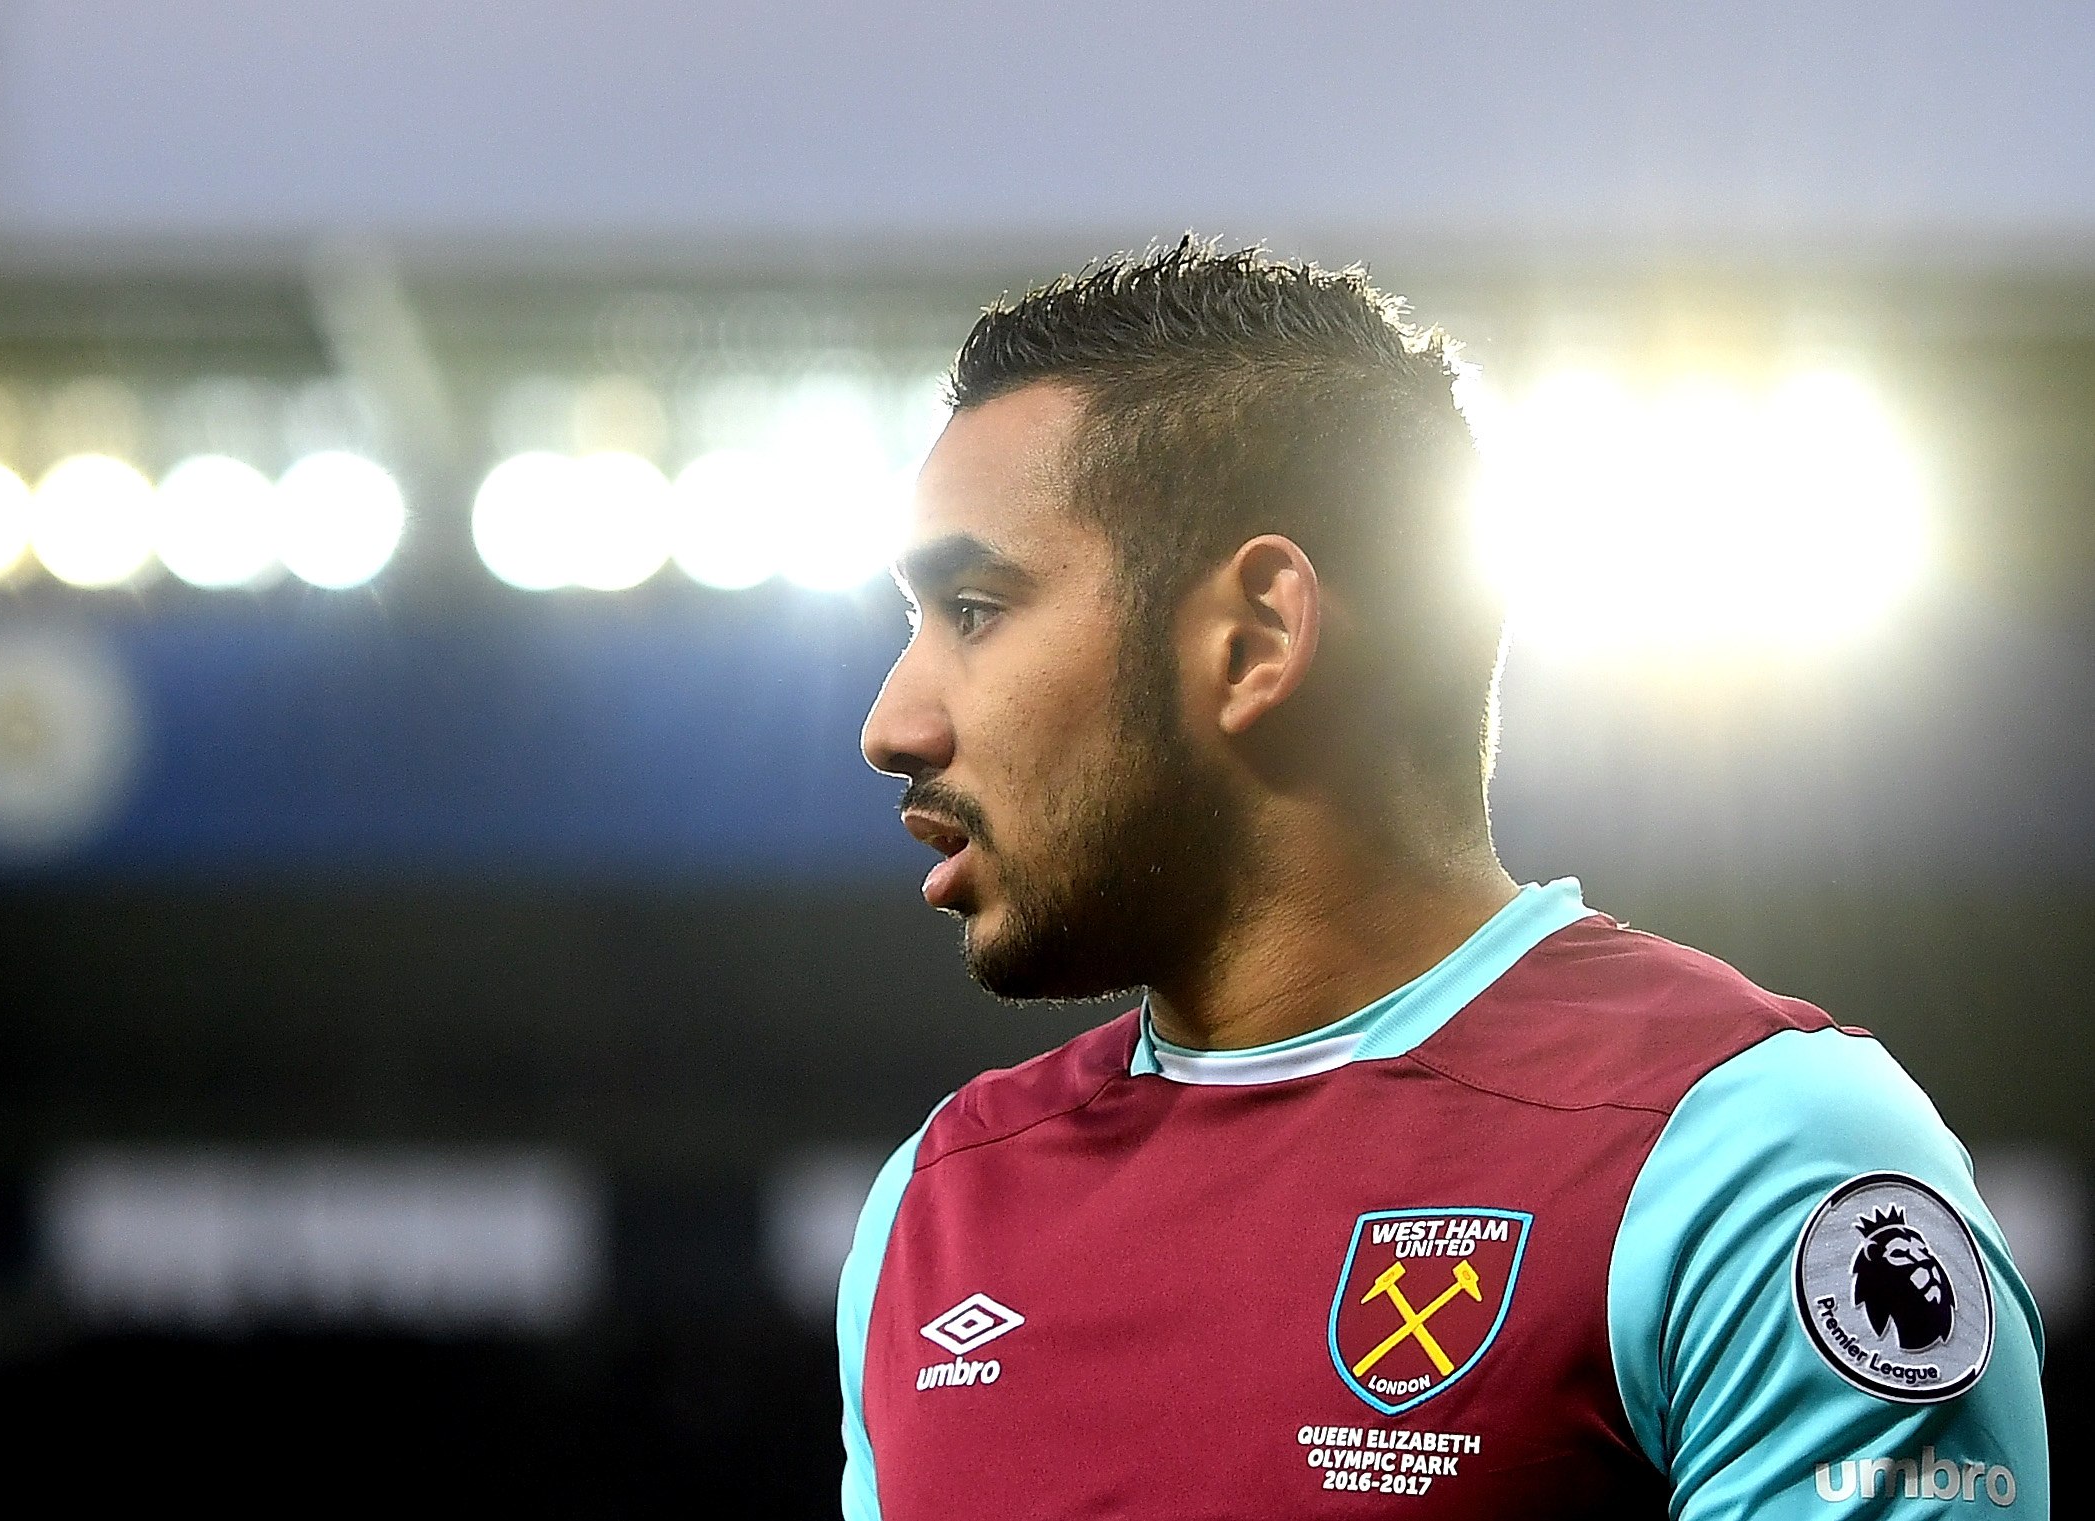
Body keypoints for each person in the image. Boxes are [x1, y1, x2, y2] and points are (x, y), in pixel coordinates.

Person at [838, 242, 2047, 1518]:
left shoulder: (1753, 1162)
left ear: (1254, 640)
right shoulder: (935, 1206)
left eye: (974, 609)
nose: (890, 724)